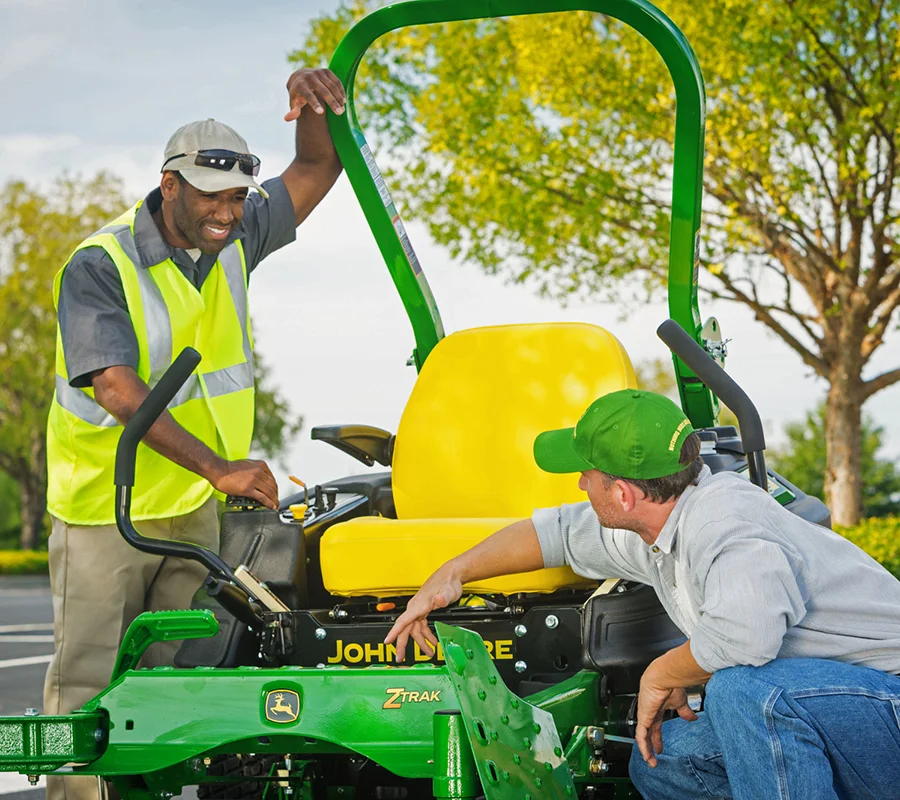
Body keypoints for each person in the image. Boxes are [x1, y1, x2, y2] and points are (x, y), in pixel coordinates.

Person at [43, 68, 345, 800]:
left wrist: (314, 107)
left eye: (238, 197)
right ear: (169, 185)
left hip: (188, 511)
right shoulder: (100, 264)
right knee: (87, 685)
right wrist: (219, 468)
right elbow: (116, 386)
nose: (226, 211)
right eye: (210, 194)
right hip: (102, 510)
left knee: (158, 691)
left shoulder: (235, 233)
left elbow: (315, 165)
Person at [385, 389, 900, 799]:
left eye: (586, 474)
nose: (581, 484)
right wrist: (453, 573)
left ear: (623, 493)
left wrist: (661, 673)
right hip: (836, 708)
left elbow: (748, 639)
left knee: (746, 692)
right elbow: (555, 533)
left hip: (886, 705)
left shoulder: (728, 524)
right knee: (662, 762)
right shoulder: (658, 523)